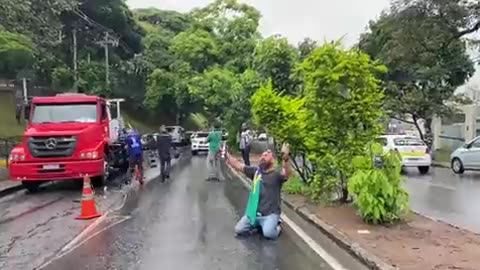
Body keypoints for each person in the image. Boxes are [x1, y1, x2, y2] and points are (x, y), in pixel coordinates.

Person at [225, 143, 291, 240]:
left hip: (270, 214)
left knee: (269, 234)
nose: (262, 157)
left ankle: (277, 225)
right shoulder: (256, 172)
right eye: (262, 156)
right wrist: (226, 154)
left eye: (266, 155)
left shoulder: (276, 175)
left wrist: (286, 159)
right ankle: (258, 225)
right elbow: (238, 165)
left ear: (272, 160)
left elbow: (287, 173)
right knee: (239, 230)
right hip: (254, 213)